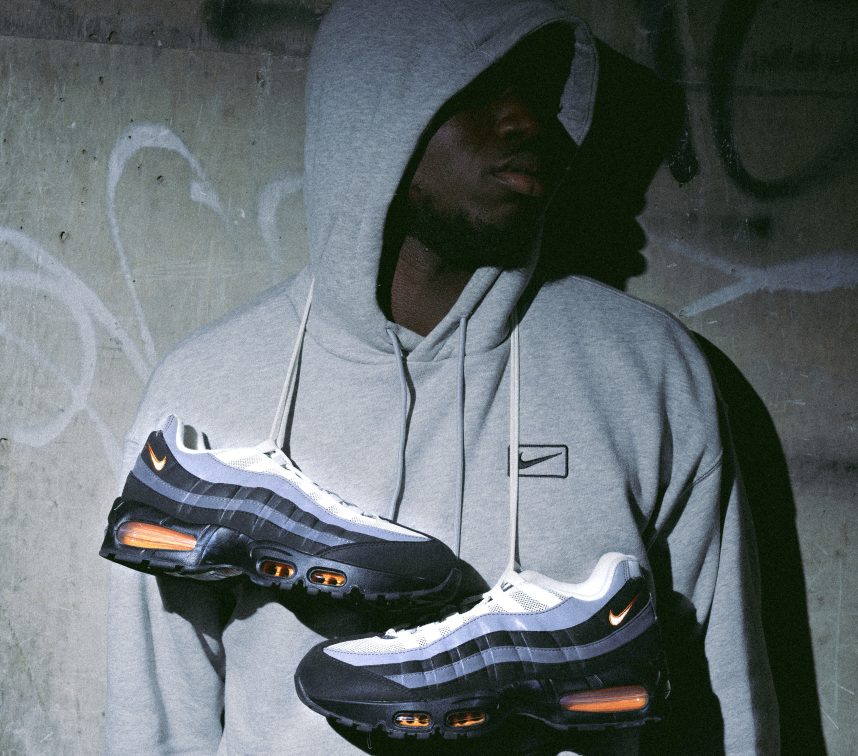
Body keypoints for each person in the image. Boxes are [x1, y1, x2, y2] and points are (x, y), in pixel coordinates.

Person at [105, 0, 779, 753]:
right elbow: (154, 726)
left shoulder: (645, 371)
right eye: (481, 86)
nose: (526, 120)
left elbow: (723, 711)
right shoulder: (209, 385)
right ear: (376, 111)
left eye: (540, 91)